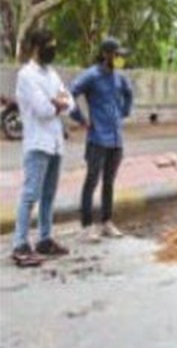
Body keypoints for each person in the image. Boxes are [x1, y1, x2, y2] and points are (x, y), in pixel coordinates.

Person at [11, 29, 75, 267]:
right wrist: (56, 102)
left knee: (49, 196)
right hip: (38, 143)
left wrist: (59, 102)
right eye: (49, 45)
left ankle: (45, 239)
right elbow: (42, 109)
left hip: (55, 143)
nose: (53, 49)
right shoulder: (26, 75)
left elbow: (70, 103)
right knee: (30, 196)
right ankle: (20, 244)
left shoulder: (52, 73)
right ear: (36, 47)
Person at [69, 37, 133, 242]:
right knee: (91, 181)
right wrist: (81, 119)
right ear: (106, 54)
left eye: (120, 55)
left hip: (116, 140)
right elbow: (70, 94)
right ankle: (86, 226)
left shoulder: (119, 78)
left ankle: (107, 222)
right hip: (97, 138)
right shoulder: (91, 76)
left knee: (109, 182)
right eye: (116, 54)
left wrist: (124, 112)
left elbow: (129, 94)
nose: (119, 58)